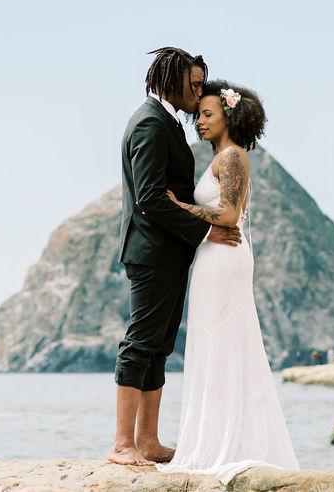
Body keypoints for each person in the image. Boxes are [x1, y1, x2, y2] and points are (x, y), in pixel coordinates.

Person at [157, 80, 299, 483]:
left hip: (224, 257)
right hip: (213, 255)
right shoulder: (221, 157)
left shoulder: (233, 156)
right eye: (199, 115)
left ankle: (230, 443)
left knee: (225, 340)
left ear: (229, 117)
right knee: (213, 342)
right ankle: (217, 436)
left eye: (207, 115)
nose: (199, 122)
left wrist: (178, 206)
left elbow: (230, 216)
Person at [109, 48, 242, 467]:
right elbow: (150, 198)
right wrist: (206, 230)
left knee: (159, 346)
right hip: (151, 252)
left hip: (168, 251)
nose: (199, 93)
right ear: (172, 80)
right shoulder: (150, 123)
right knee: (140, 343)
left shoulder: (163, 121)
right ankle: (122, 445)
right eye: (195, 84)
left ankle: (148, 441)